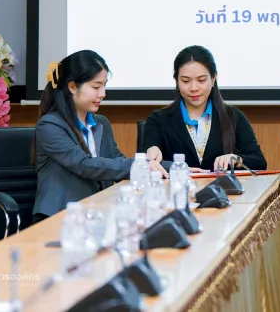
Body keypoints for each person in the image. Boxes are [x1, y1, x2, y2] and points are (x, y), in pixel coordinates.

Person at [32, 50, 166, 220]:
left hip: (98, 211)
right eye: (96, 87)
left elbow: (117, 160)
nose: (102, 93)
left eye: (104, 86)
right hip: (60, 216)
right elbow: (84, 164)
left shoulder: (101, 123)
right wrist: (142, 165)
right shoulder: (50, 125)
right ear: (72, 87)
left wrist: (172, 167)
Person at [143, 45, 267, 172]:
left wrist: (236, 159)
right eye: (186, 81)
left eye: (201, 80)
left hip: (222, 185)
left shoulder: (233, 117)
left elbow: (259, 162)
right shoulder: (158, 120)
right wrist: (152, 155)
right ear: (177, 81)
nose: (193, 88)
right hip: (177, 184)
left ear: (213, 79)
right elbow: (144, 164)